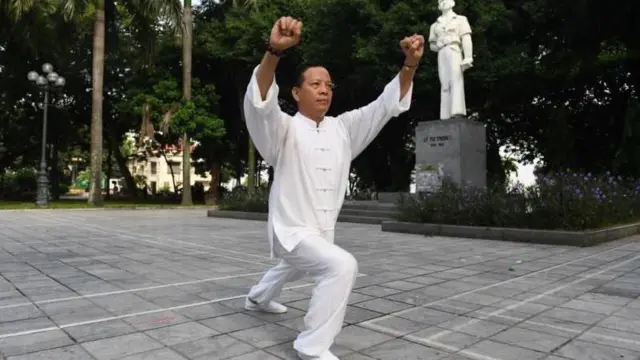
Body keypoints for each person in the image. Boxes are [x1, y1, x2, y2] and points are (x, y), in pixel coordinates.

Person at [241, 16, 423, 360]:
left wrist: (410, 64)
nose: (324, 89)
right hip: (291, 230)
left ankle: (257, 298)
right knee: (341, 266)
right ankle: (310, 346)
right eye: (315, 84)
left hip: (321, 231)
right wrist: (274, 53)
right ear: (296, 93)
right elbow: (260, 102)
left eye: (328, 84)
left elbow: (384, 105)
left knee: (293, 264)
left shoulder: (344, 129)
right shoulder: (281, 129)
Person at [428, 0, 473, 120]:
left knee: (455, 79)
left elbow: (466, 38)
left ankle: (457, 111)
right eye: (440, 1)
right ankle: (445, 114)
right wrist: (438, 44)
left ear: (452, 3)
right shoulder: (435, 25)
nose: (443, 2)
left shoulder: (460, 19)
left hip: (454, 50)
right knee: (444, 83)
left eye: (445, 0)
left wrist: (468, 57)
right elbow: (432, 45)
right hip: (442, 52)